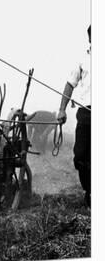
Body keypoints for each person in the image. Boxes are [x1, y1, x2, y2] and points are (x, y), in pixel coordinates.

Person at [57, 25, 91, 207]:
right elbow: (70, 85)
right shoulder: (82, 60)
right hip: (86, 113)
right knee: (80, 156)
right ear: (91, 38)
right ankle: (90, 191)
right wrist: (62, 109)